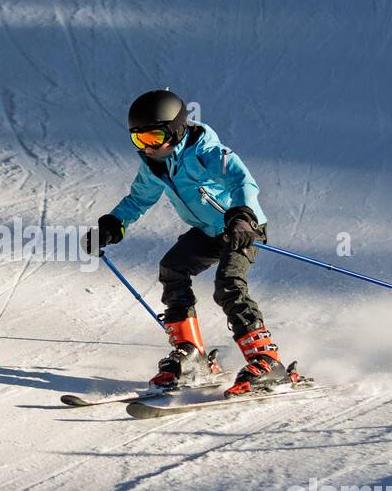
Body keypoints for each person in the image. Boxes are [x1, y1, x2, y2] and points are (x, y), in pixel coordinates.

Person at [84, 89, 300, 396]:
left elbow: (242, 180)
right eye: (139, 140)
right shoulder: (153, 165)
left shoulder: (205, 150)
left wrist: (242, 216)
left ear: (175, 129)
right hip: (207, 231)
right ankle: (192, 354)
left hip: (241, 227)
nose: (148, 147)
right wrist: (113, 223)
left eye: (154, 138)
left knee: (228, 283)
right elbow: (138, 199)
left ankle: (266, 360)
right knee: (172, 268)